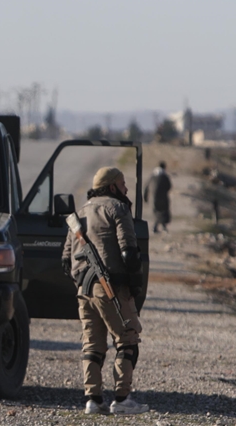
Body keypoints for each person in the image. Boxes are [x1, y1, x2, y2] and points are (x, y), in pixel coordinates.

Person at [62, 167, 148, 415]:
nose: (126, 189)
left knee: (92, 345)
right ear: (112, 187)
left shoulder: (80, 212)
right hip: (110, 287)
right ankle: (122, 399)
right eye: (122, 184)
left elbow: (66, 260)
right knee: (128, 339)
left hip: (84, 289)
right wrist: (134, 284)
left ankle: (93, 400)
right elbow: (129, 253)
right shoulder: (118, 208)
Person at [144, 161, 172, 233]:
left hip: (154, 199)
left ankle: (158, 227)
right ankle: (159, 227)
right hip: (163, 198)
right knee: (163, 212)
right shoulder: (165, 176)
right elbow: (169, 186)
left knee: (156, 212)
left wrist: (145, 198)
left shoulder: (152, 176)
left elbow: (146, 187)